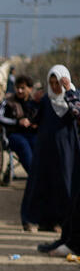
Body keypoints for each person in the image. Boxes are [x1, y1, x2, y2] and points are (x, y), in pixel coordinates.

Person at [27, 66, 80, 241]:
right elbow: (34, 119)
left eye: (58, 83)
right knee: (43, 183)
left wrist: (69, 90)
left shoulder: (73, 97)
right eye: (52, 83)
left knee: (64, 184)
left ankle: (61, 222)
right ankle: (40, 221)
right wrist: (33, 102)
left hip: (67, 150)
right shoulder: (45, 100)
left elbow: (77, 112)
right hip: (46, 149)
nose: (55, 87)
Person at [0, 75, 38, 183]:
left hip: (31, 134)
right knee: (23, 145)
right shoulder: (8, 101)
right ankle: (34, 177)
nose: (19, 91)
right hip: (13, 134)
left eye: (23, 88)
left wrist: (34, 123)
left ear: (30, 89)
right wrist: (17, 122)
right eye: (18, 88)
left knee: (38, 144)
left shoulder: (35, 103)